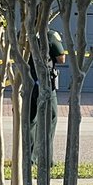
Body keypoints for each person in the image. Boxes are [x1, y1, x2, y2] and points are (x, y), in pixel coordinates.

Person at [28, 30, 66, 172]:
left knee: (30, 120)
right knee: (50, 120)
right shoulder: (49, 35)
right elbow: (61, 58)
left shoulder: (22, 33)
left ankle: (30, 158)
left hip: (28, 82)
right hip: (45, 84)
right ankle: (46, 157)